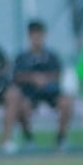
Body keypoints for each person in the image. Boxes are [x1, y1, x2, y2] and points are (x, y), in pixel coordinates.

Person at [6, 20, 74, 152]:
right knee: (22, 106)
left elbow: (57, 73)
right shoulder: (22, 57)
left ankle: (60, 139)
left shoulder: (51, 56)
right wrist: (33, 78)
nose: (37, 39)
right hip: (30, 92)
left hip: (50, 91)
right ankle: (29, 139)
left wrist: (45, 79)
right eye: (34, 35)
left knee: (66, 103)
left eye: (39, 35)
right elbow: (16, 76)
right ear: (29, 36)